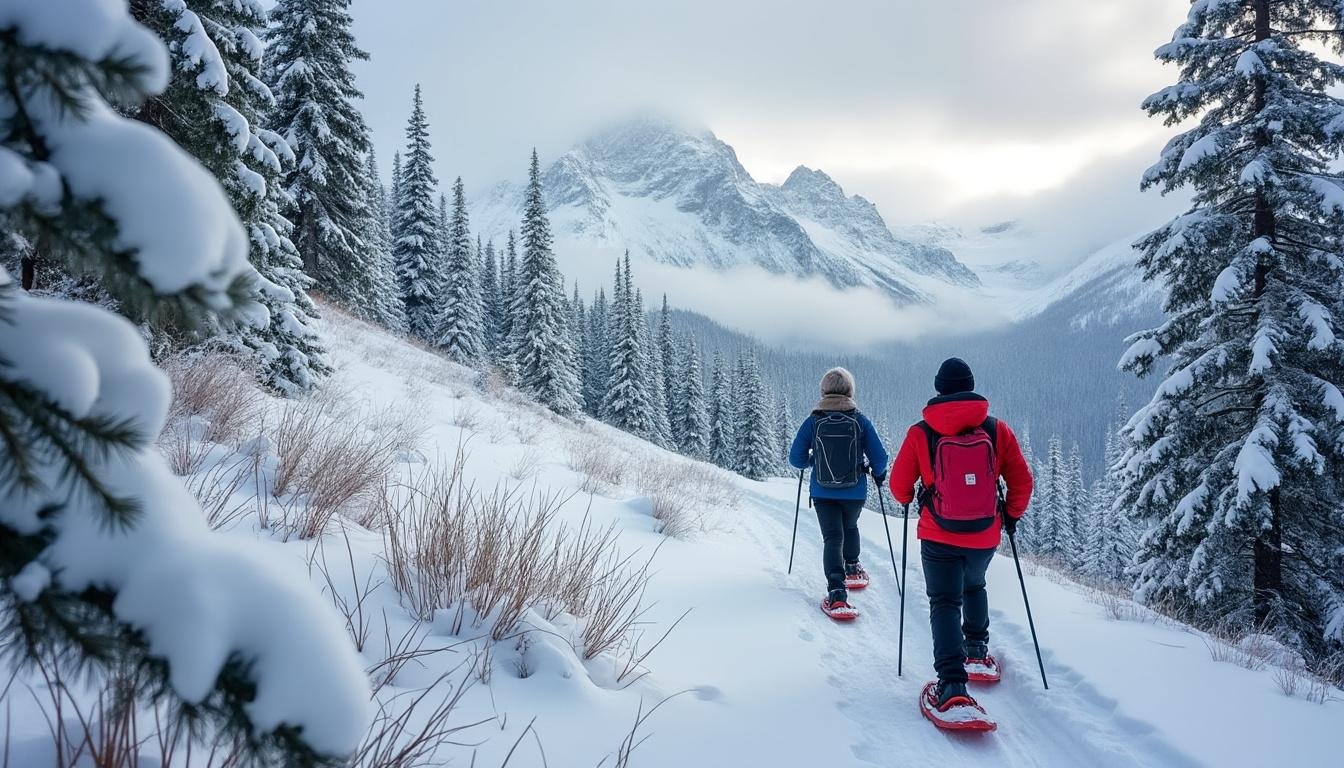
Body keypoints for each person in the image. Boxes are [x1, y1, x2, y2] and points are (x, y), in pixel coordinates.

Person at [889, 357, 1033, 711]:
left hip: (938, 533)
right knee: (974, 585)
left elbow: (898, 486)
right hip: (984, 534)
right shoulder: (997, 430)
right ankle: (977, 649)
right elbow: (1022, 482)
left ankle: (952, 684)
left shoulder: (921, 432)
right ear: (971, 386)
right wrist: (1010, 516)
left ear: (938, 389)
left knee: (944, 603)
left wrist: (909, 497)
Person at [789, 367, 889, 617]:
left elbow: (795, 459)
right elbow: (880, 458)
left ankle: (836, 594)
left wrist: (814, 461)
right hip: (854, 491)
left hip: (823, 491)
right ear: (850, 391)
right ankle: (853, 567)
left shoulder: (814, 421)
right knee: (850, 526)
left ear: (823, 391)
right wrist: (878, 474)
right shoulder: (860, 420)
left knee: (832, 537)